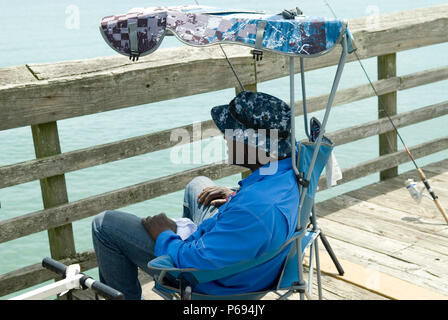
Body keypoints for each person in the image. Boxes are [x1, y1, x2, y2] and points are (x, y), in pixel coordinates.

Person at [91, 91, 300, 299]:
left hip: (213, 281)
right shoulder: (288, 170)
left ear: (252, 144)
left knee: (104, 226)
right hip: (243, 251)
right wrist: (235, 195)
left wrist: (165, 234)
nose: (224, 138)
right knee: (197, 185)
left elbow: (192, 260)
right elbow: (257, 212)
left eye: (230, 133)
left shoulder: (254, 209)